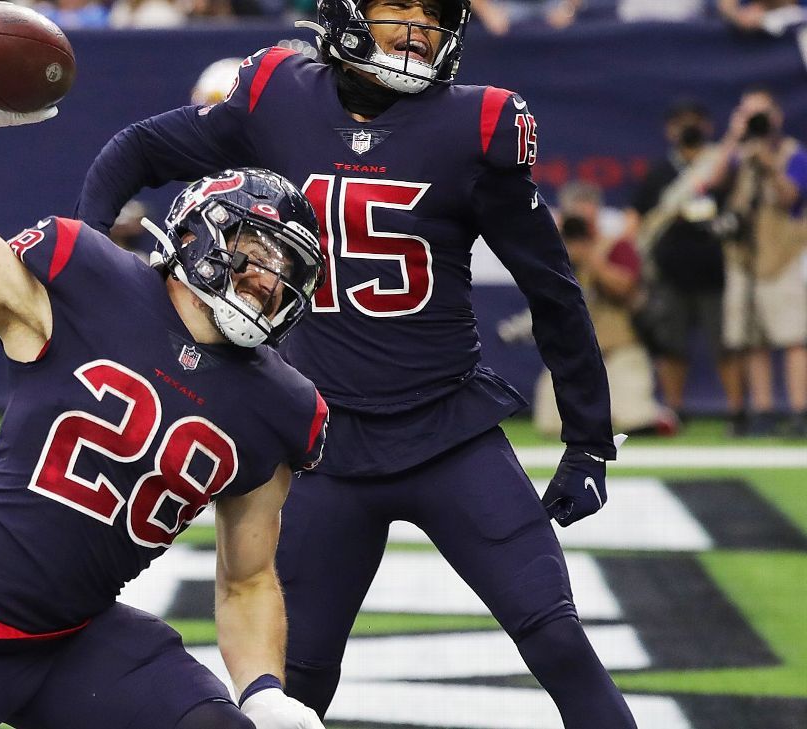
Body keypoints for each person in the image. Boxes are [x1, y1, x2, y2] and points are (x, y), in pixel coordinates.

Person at [75, 1, 636, 726]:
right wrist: (85, 254)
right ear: (344, 15)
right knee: (295, 688)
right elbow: (139, 150)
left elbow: (551, 287)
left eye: (430, 16)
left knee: (558, 640)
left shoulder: (476, 123)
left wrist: (587, 436)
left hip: (448, 433)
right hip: (325, 451)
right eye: (394, 10)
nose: (414, 32)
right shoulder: (279, 94)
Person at [0, 75, 331, 729]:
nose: (266, 281)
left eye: (287, 270)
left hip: (77, 636)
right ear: (200, 235)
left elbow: (247, 579)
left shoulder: (277, 406)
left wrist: (262, 689)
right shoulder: (88, 277)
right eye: (255, 254)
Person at [624, 100, 742, 428]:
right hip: (670, 273)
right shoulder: (660, 172)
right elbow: (636, 219)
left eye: (695, 122)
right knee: (672, 345)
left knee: (725, 344)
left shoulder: (723, 168)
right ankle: (676, 409)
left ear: (708, 127)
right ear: (669, 129)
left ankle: (737, 411)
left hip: (716, 272)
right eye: (682, 122)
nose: (688, 129)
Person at [708, 87, 807, 436]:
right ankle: (762, 410)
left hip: (783, 255)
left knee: (794, 335)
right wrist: (733, 138)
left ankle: (799, 410)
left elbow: (791, 197)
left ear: (777, 116)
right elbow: (712, 183)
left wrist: (768, 165)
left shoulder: (793, 154)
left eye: (761, 114)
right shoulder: (739, 153)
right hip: (744, 258)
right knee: (751, 338)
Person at [532, 213, 676, 437]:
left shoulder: (616, 247)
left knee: (635, 420)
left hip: (619, 349)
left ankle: (658, 414)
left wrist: (594, 261)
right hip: (575, 353)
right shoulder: (555, 254)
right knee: (552, 424)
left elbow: (626, 288)